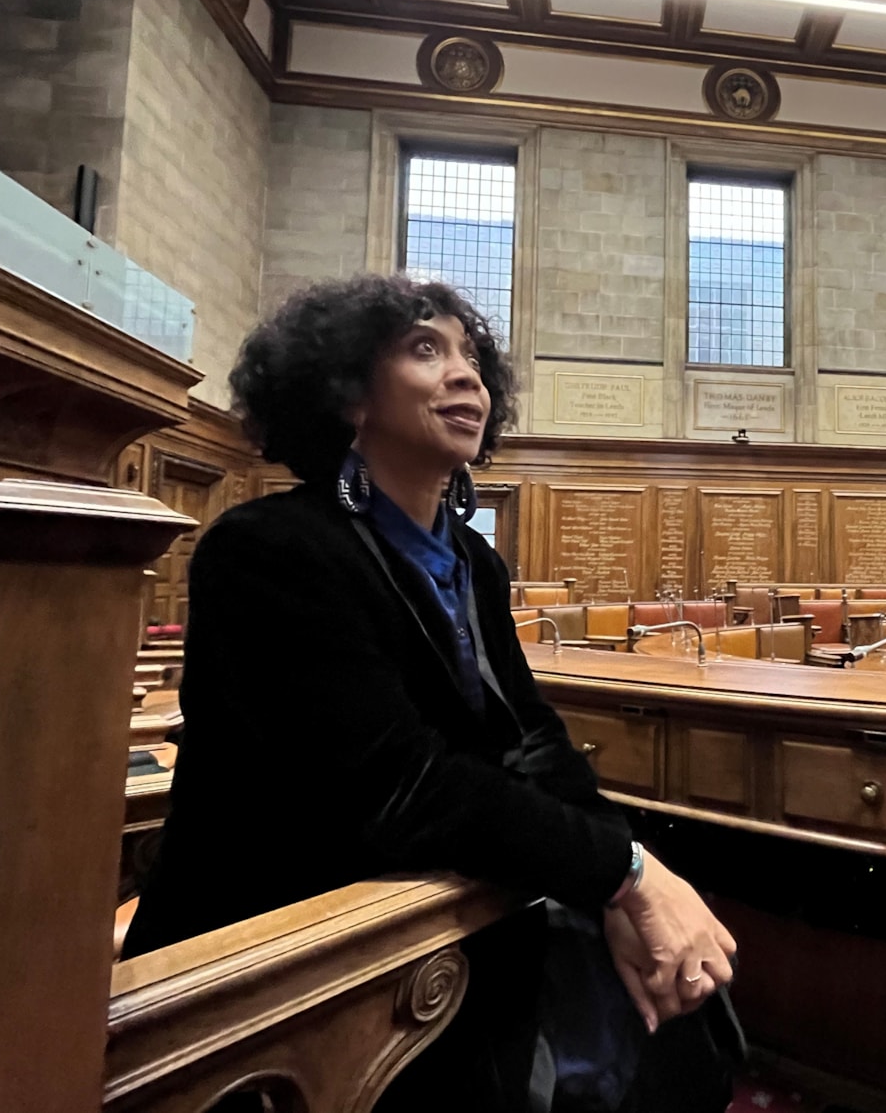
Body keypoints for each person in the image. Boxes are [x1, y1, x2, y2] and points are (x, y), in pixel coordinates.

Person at [122, 273, 736, 1110]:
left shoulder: (473, 560)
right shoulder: (268, 549)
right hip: (282, 953)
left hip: (432, 920)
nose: (467, 375)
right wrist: (622, 873)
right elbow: (397, 785)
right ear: (347, 396)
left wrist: (634, 874)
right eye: (425, 349)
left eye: (473, 355)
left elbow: (533, 738)